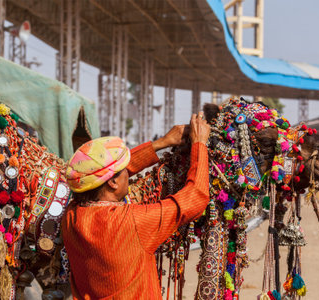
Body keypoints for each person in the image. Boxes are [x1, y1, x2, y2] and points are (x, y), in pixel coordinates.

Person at [62, 112, 211, 299]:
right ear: (113, 183)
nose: (128, 172)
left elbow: (107, 174)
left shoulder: (72, 215)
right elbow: (196, 197)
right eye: (124, 170)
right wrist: (200, 143)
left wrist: (161, 143)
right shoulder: (132, 222)